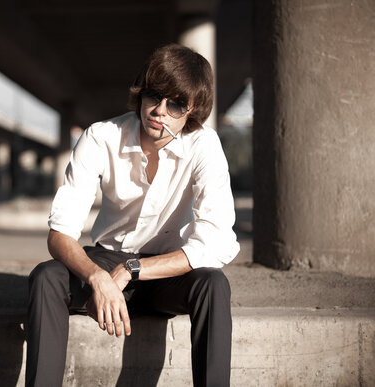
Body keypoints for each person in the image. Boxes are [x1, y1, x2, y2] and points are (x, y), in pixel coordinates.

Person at [26, 43, 240, 387]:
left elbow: (215, 242)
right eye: (154, 95)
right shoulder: (100, 138)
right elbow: (60, 233)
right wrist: (97, 277)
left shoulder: (204, 146)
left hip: (167, 270)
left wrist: (133, 270)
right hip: (107, 258)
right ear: (141, 95)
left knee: (214, 285)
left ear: (192, 111)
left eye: (176, 104)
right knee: (46, 277)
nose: (160, 110)